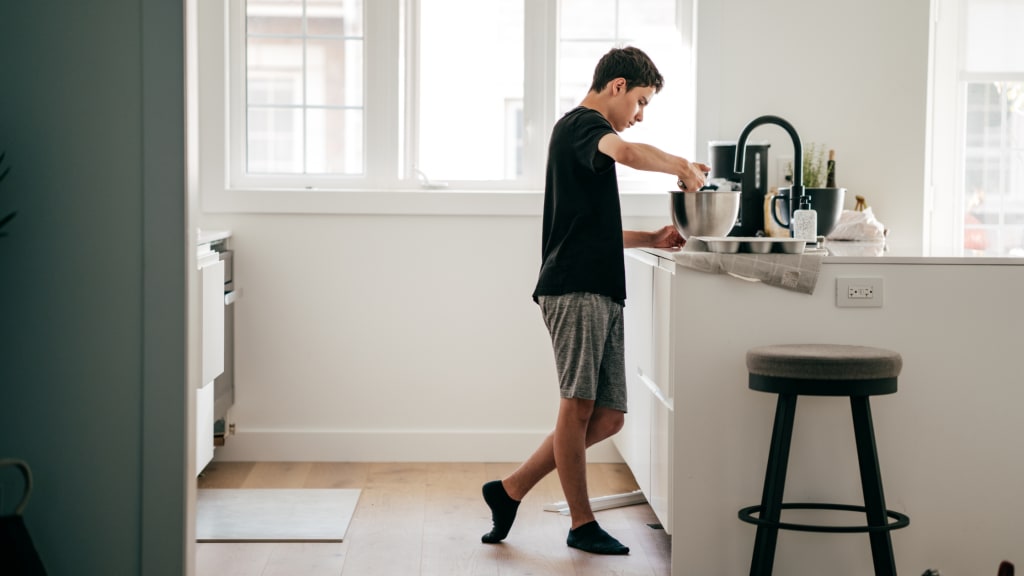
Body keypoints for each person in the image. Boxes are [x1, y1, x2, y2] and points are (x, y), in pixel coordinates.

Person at [480, 45, 709, 555]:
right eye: (642, 102)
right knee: (578, 407)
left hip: (597, 285)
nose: (640, 115)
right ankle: (582, 525)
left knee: (607, 418)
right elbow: (627, 153)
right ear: (618, 86)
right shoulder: (582, 125)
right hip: (576, 288)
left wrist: (650, 236)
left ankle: (509, 490)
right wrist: (681, 167)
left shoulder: (583, 136)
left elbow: (587, 229)